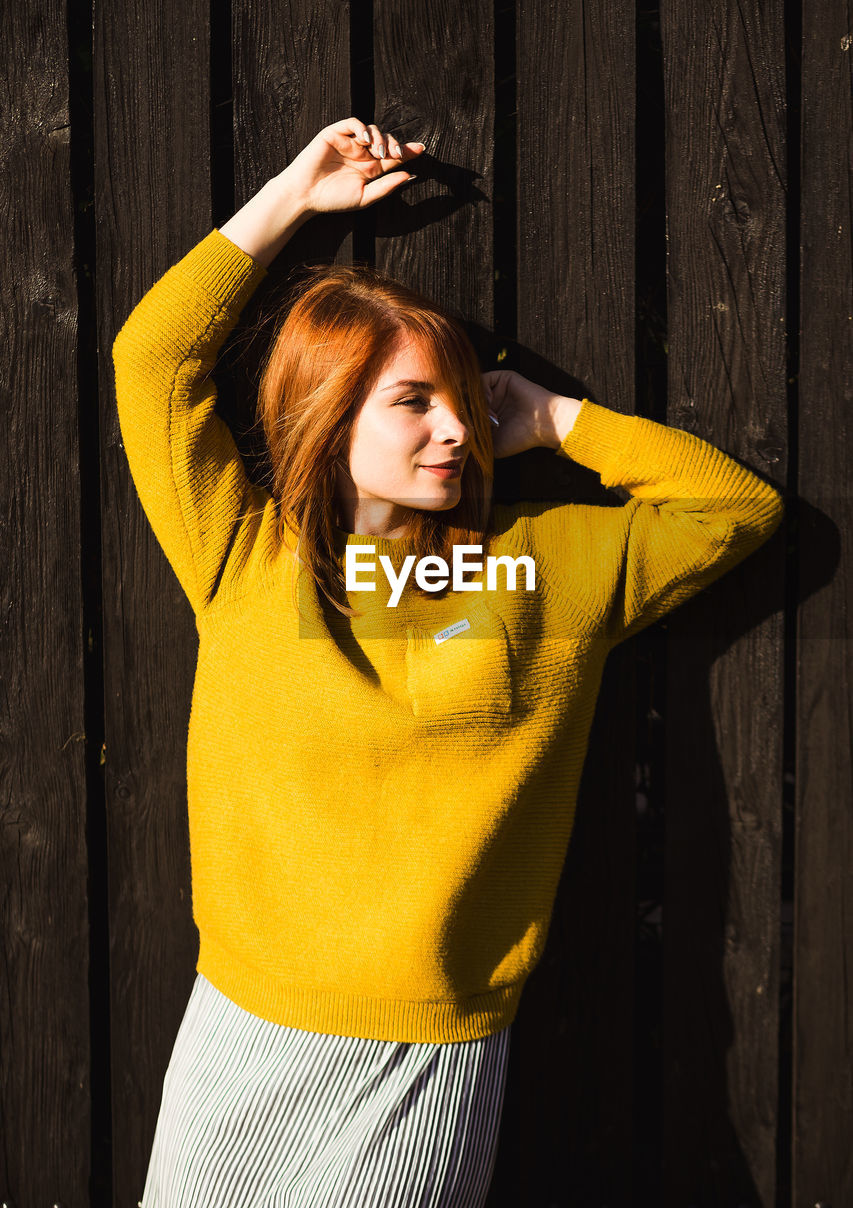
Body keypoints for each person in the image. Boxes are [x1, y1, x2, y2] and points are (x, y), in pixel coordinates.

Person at [113, 117, 784, 1207]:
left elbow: (734, 511)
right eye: (412, 401)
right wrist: (292, 196)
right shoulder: (246, 553)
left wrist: (561, 420)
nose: (453, 429)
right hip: (238, 1028)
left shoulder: (552, 566)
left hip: (428, 1055)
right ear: (329, 416)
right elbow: (153, 359)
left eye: (462, 397)